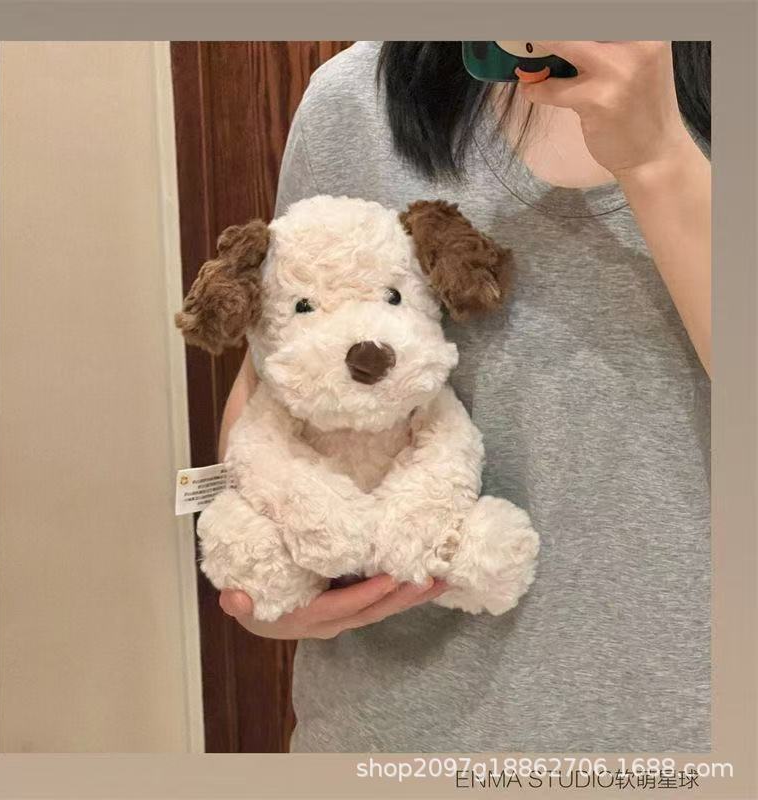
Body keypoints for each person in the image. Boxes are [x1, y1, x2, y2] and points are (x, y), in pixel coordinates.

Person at [216, 41, 711, 752]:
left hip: (687, 727)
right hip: (394, 730)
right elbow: (272, 373)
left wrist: (659, 158)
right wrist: (261, 575)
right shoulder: (355, 100)